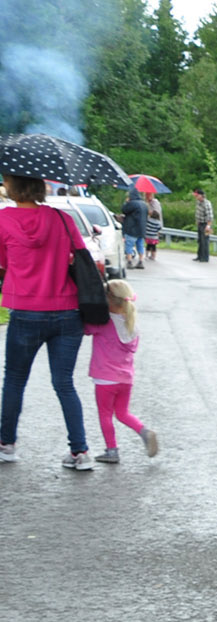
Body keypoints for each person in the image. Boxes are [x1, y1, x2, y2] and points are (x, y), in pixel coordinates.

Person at [0, 173, 92, 468]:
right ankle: (80, 452)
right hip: (67, 311)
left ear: (12, 188)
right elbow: (81, 256)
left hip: (25, 311)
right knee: (65, 383)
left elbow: (3, 263)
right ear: (40, 187)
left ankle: (7, 444)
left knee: (14, 380)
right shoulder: (63, 219)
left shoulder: (3, 220)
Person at [82, 279, 159, 464]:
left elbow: (85, 329)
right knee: (122, 413)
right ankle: (144, 432)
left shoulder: (104, 323)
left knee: (105, 415)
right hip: (126, 378)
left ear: (107, 300)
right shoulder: (132, 324)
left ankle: (112, 450)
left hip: (105, 379)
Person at [120, 189, 146, 271]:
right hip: (141, 229)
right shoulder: (144, 204)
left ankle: (130, 261)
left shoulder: (132, 204)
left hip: (132, 228)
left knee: (129, 245)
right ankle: (141, 261)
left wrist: (126, 202)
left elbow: (124, 210)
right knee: (140, 245)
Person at [192, 188, 212, 262]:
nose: (196, 197)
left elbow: (209, 216)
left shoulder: (207, 204)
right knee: (200, 240)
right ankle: (199, 256)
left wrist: (208, 226)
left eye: (197, 195)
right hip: (200, 223)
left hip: (205, 224)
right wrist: (197, 221)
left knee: (205, 241)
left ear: (201, 196)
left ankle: (205, 257)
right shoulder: (198, 202)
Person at [144, 196, 163, 261]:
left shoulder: (149, 220)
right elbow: (159, 229)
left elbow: (146, 226)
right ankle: (153, 256)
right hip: (154, 237)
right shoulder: (158, 223)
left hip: (148, 236)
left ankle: (146, 256)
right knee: (154, 247)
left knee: (148, 246)